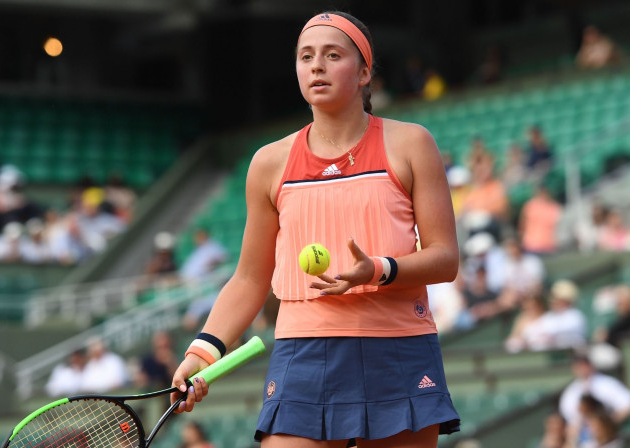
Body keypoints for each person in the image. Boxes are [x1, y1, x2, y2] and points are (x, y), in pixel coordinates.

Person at [170, 11, 460, 447]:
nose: (317, 66)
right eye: (306, 57)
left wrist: (378, 269)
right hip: (304, 351)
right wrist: (202, 351)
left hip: (397, 346)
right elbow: (249, 278)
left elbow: (445, 258)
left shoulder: (412, 143)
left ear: (364, 72)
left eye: (332, 55)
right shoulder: (269, 162)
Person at [559, 354, 630, 438]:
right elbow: (570, 418)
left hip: (611, 431)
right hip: (583, 434)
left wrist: (608, 424)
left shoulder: (607, 383)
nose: (582, 369)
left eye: (584, 365)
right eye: (578, 366)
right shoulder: (571, 391)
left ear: (591, 365)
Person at [519, 186, 562, 255]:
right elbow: (522, 224)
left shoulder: (555, 207)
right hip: (531, 245)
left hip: (550, 246)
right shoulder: (530, 206)